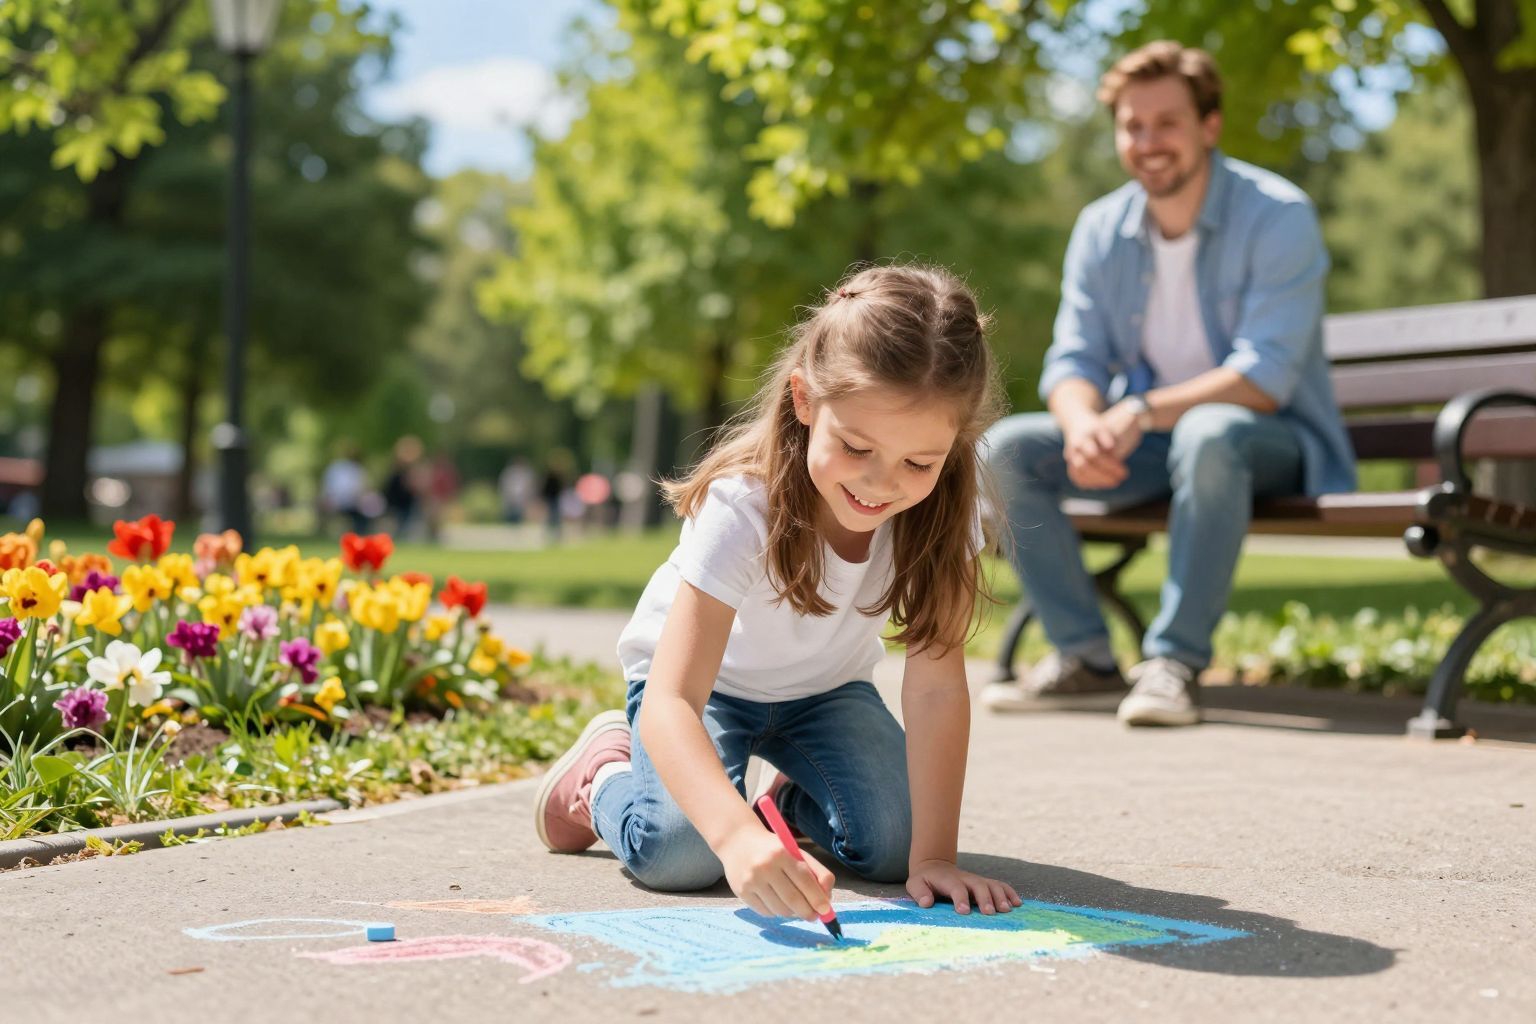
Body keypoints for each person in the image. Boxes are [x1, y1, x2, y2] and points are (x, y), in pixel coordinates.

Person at [534, 264, 1023, 922]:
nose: (880, 485)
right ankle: (602, 778)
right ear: (804, 401)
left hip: (825, 694)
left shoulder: (945, 511)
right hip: (705, 696)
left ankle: (793, 797)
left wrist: (934, 856)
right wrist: (735, 839)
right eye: (856, 447)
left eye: (919, 463)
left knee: (894, 847)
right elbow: (673, 699)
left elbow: (936, 685)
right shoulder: (744, 505)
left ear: (954, 443)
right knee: (681, 855)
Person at [980, 41, 1356, 728]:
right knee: (1003, 447)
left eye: (1168, 123)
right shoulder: (1101, 228)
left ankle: (1174, 663)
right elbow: (1074, 362)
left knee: (1209, 432)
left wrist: (1139, 409)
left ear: (1209, 126)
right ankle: (1086, 658)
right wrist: (1083, 424)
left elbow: (1264, 378)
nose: (1148, 142)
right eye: (1132, 126)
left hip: (1269, 445)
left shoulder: (1278, 214)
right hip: (1154, 445)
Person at [318, 443, 369, 535]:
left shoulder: (357, 469)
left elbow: (361, 489)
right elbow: (329, 488)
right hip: (337, 502)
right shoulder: (336, 468)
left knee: (364, 514)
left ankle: (359, 533)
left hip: (353, 503)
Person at [498, 455, 534, 525]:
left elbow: (529, 486)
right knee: (510, 514)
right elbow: (505, 484)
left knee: (519, 514)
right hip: (510, 497)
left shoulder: (526, 473)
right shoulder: (509, 472)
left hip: (521, 498)